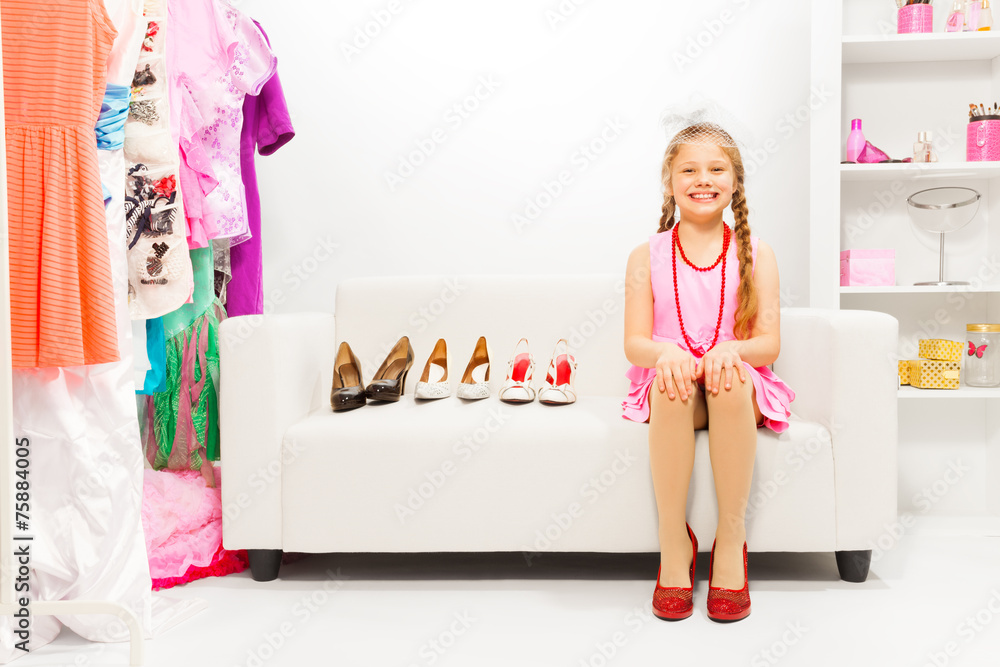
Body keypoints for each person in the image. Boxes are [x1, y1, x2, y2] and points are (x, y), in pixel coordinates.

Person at [621, 121, 794, 622]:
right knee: (672, 387)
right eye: (689, 170)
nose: (703, 179)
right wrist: (664, 354)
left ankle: (730, 540)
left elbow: (769, 343)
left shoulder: (758, 255)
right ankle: (674, 542)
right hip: (678, 388)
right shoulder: (645, 256)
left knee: (730, 376)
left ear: (735, 182)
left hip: (732, 389)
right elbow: (635, 344)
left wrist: (732, 351)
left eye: (717, 169)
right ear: (670, 182)